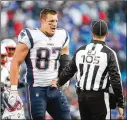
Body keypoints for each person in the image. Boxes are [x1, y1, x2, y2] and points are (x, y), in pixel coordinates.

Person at [8, 8, 71, 120]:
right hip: (36, 89)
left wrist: (64, 78)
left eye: (56, 21)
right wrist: (13, 90)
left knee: (66, 117)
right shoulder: (31, 36)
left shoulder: (62, 35)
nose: (54, 24)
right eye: (50, 21)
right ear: (42, 21)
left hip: (54, 88)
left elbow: (65, 57)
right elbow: (15, 62)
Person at [56, 20, 124, 120]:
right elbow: (116, 79)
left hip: (83, 97)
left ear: (92, 33)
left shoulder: (81, 50)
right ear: (107, 34)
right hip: (99, 97)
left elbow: (68, 71)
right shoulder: (109, 53)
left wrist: (58, 83)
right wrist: (120, 104)